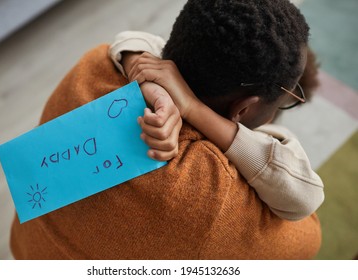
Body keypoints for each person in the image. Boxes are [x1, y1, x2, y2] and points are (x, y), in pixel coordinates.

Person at [10, 0, 322, 259]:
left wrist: (149, 78)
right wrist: (192, 109)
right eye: (285, 103)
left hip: (26, 247)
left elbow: (130, 42)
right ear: (243, 109)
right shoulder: (215, 192)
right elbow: (308, 234)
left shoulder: (93, 67)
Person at [108, 31, 325, 221]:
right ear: (242, 109)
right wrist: (185, 105)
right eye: (280, 107)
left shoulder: (171, 71)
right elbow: (307, 196)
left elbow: (129, 39)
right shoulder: (268, 143)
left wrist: (161, 90)